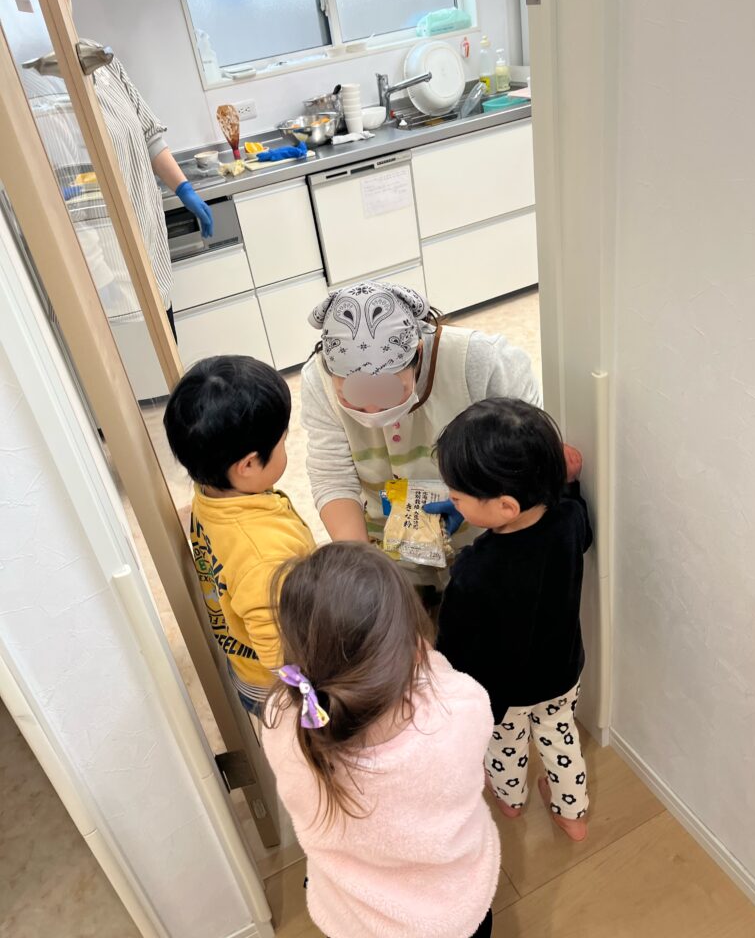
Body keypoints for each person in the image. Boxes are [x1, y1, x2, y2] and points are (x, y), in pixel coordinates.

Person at [262, 542, 500, 938]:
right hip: (451, 913)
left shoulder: (282, 723)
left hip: (356, 919)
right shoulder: (457, 710)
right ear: (411, 645)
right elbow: (450, 687)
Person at [0, 0, 213, 336]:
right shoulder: (24, 83)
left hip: (149, 258)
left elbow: (148, 133)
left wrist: (185, 189)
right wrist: (101, 278)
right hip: (105, 280)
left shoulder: (95, 56)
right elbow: (60, 190)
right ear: (15, 4)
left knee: (168, 348)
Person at [301, 279, 543, 588]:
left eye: (388, 391)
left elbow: (532, 457)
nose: (373, 410)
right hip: (385, 544)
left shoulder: (481, 361)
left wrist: (477, 503)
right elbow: (332, 477)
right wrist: (365, 567)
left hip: (485, 540)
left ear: (417, 353)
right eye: (354, 395)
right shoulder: (318, 382)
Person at [435, 397, 593, 842]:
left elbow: (454, 646)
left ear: (506, 507)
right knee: (560, 736)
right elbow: (582, 529)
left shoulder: (474, 570)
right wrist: (570, 484)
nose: (453, 501)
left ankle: (510, 798)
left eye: (457, 497)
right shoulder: (569, 520)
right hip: (562, 671)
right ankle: (572, 813)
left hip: (504, 691)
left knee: (505, 744)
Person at [163, 356, 315, 716]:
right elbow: (277, 651)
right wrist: (312, 701)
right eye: (282, 442)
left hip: (245, 665)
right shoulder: (262, 554)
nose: (285, 447)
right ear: (247, 465)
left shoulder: (212, 493)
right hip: (280, 689)